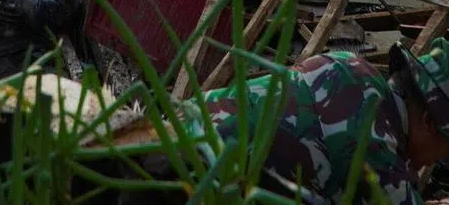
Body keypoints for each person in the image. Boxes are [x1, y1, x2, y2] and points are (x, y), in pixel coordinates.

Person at [190, 39, 449, 204]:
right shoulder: (375, 152)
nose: (432, 163)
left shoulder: (350, 67)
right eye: (443, 151)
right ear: (428, 122)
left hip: (172, 130)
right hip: (184, 181)